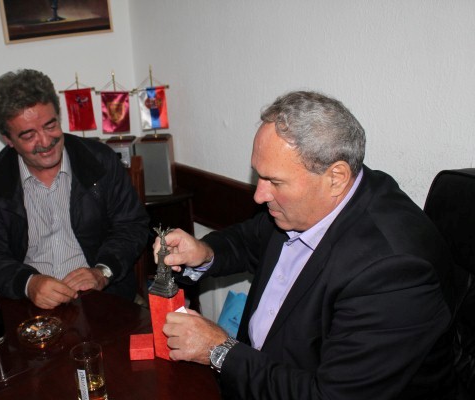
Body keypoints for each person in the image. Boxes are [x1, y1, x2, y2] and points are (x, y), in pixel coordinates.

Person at [156, 91, 456, 399]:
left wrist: (219, 350)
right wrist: (204, 252)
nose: (259, 195)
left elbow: (330, 396)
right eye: (259, 177)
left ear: (336, 177)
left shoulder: (393, 273)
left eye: (274, 182)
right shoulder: (301, 205)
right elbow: (249, 239)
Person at [0, 69, 149, 309]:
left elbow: (132, 226)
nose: (45, 141)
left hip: (102, 299)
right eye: (28, 135)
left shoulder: (99, 161)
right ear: (7, 139)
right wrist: (28, 283)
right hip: (30, 306)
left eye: (50, 125)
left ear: (58, 115)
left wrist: (103, 271)